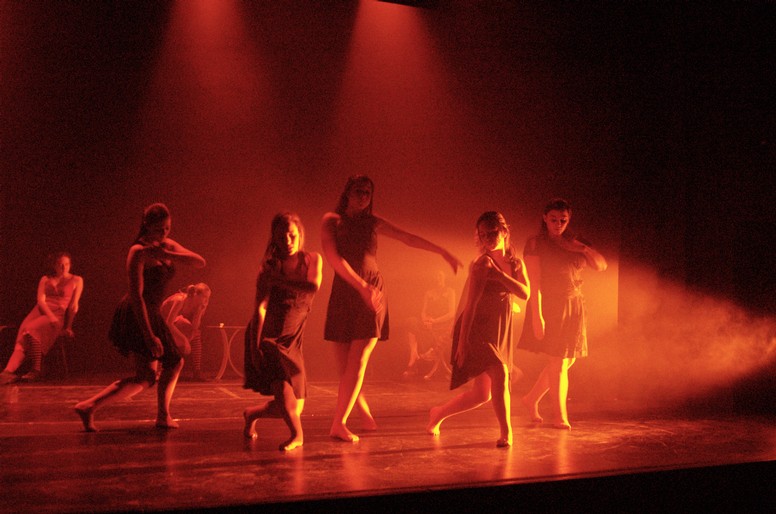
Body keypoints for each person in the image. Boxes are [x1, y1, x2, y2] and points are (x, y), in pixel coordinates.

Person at [322, 175, 462, 442]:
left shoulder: (373, 222)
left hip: (373, 292)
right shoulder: (332, 220)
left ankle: (338, 423)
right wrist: (360, 286)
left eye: (368, 192)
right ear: (347, 193)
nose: (363, 196)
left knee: (358, 360)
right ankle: (364, 414)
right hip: (346, 291)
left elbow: (407, 237)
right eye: (358, 191)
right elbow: (333, 258)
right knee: (345, 368)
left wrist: (442, 251)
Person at [74, 203, 206, 432]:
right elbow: (137, 296)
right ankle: (162, 415)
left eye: (167, 228)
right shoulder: (138, 251)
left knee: (146, 377)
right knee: (172, 362)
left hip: (153, 311)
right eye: (159, 229)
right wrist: (149, 335)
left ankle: (89, 406)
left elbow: (199, 262)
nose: (163, 233)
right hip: (138, 312)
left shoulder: (167, 246)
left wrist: (167, 254)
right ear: (147, 225)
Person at [427, 212, 529, 447]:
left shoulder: (515, 263)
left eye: (492, 233)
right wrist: (462, 341)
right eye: (483, 235)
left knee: (482, 394)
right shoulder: (482, 264)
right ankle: (506, 433)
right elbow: (470, 304)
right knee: (500, 372)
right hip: (478, 328)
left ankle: (438, 413)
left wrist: (500, 275)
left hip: (499, 328)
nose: (487, 239)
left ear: (504, 232)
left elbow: (525, 293)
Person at [518, 198, 607, 430]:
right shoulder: (536, 243)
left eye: (563, 220)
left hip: (575, 303)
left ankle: (531, 399)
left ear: (569, 219)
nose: (558, 224)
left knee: (568, 360)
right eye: (554, 219)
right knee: (557, 362)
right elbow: (534, 283)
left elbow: (601, 266)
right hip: (550, 305)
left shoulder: (576, 241)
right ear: (545, 218)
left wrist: (582, 248)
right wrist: (537, 316)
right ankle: (559, 416)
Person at [242, 213, 322, 451]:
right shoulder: (268, 268)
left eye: (292, 235)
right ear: (274, 239)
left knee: (294, 407)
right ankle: (297, 435)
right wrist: (256, 346)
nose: (287, 241)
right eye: (281, 237)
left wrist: (278, 281)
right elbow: (260, 308)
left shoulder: (312, 260)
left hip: (293, 338)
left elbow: (312, 286)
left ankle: (252, 413)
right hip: (270, 336)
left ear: (300, 234)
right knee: (283, 391)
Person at [0, 252, 84, 384]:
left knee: (31, 329)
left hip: (57, 315)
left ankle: (37, 369)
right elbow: (41, 301)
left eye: (67, 264)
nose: (64, 267)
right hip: (40, 312)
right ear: (54, 265)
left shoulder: (76, 280)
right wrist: (49, 316)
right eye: (60, 264)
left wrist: (68, 326)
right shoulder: (45, 279)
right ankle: (7, 372)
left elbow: (74, 306)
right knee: (23, 337)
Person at [402, 270, 456, 380]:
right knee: (411, 322)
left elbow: (452, 313)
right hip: (429, 323)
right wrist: (425, 320)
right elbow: (424, 311)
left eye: (440, 276)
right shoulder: (429, 293)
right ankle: (414, 354)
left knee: (452, 326)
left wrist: (435, 321)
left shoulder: (450, 292)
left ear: (444, 278)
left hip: (443, 324)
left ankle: (424, 357)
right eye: (436, 276)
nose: (438, 278)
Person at [161, 283, 212, 381]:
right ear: (196, 294)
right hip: (161, 325)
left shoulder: (197, 305)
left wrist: (199, 311)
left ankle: (197, 371)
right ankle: (160, 370)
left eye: (208, 298)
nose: (206, 300)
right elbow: (168, 323)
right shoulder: (180, 300)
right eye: (204, 297)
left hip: (173, 326)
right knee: (183, 324)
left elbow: (195, 327)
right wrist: (184, 340)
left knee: (195, 333)